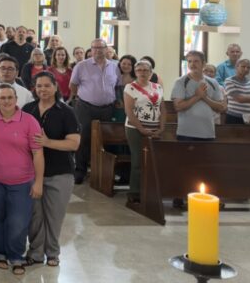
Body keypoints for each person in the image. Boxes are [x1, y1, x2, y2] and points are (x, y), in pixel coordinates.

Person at [0, 84, 44, 275]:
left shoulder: (29, 121)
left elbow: (38, 153)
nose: (6, 101)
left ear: (16, 99)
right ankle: (0, 253)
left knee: (18, 221)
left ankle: (16, 256)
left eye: (10, 97)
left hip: (22, 181)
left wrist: (38, 182)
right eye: (2, 98)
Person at [22, 72, 80, 268]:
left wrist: (47, 142)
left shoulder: (66, 111)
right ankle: (35, 253)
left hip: (59, 172)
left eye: (47, 85)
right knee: (34, 216)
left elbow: (74, 144)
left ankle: (53, 253)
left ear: (55, 87)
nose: (43, 89)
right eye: (39, 86)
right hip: (31, 173)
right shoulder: (28, 109)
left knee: (54, 217)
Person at [69, 39, 120, 184]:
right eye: (94, 48)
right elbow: (73, 85)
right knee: (83, 138)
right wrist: (82, 96)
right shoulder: (81, 66)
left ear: (106, 49)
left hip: (107, 108)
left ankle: (104, 171)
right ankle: (80, 170)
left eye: (100, 47)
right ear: (91, 50)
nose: (98, 50)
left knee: (106, 139)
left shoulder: (114, 66)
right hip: (86, 107)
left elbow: (117, 85)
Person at [123, 60, 165, 204]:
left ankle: (151, 190)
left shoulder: (158, 87)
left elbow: (163, 108)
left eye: (146, 70)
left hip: (155, 128)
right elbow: (129, 111)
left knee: (154, 161)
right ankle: (134, 192)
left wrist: (161, 128)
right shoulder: (130, 87)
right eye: (139, 70)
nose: (142, 72)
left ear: (151, 72)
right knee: (138, 160)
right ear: (135, 72)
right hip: (135, 129)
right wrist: (141, 129)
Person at [171, 50, 227, 141]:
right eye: (189, 61)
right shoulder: (180, 82)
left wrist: (204, 97)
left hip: (208, 132)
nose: (192, 64)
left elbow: (221, 108)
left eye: (196, 61)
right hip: (186, 133)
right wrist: (197, 96)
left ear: (203, 63)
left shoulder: (213, 82)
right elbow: (178, 107)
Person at [224, 59, 250, 125]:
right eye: (243, 66)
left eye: (248, 67)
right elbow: (239, 99)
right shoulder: (229, 81)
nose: (246, 69)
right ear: (236, 67)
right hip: (233, 117)